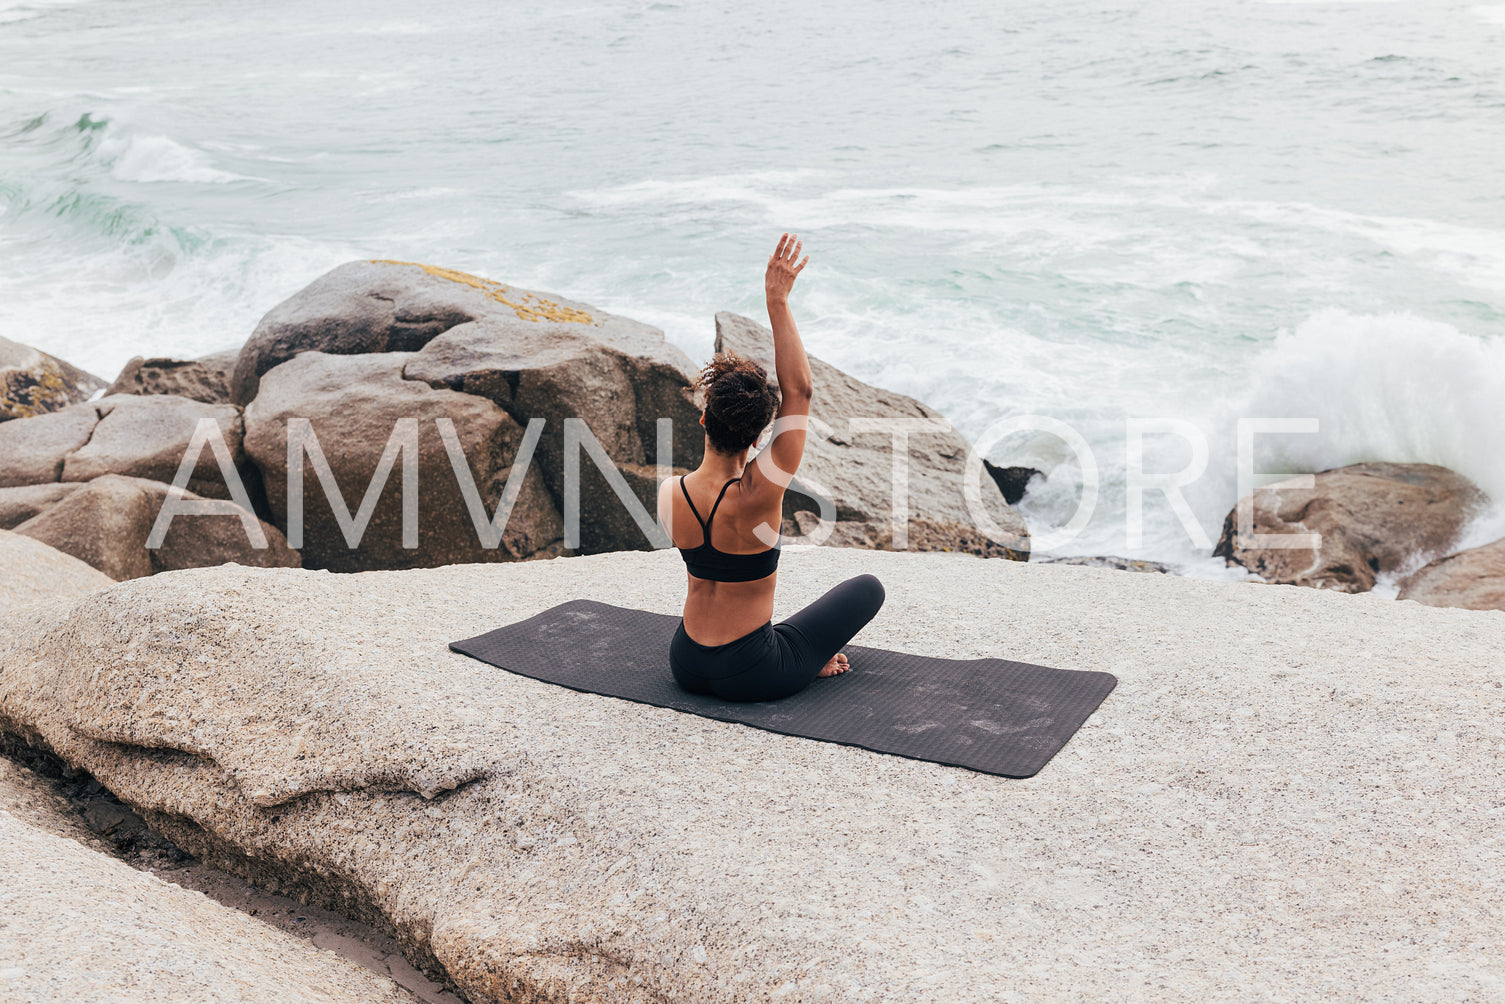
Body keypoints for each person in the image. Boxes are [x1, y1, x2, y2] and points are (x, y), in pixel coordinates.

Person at [658, 233, 886, 702]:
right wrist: (777, 301)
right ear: (761, 437)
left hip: (685, 661)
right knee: (868, 589)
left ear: (703, 419)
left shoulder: (669, 493)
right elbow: (798, 392)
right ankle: (804, 663)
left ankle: (801, 656)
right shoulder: (759, 493)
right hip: (753, 672)